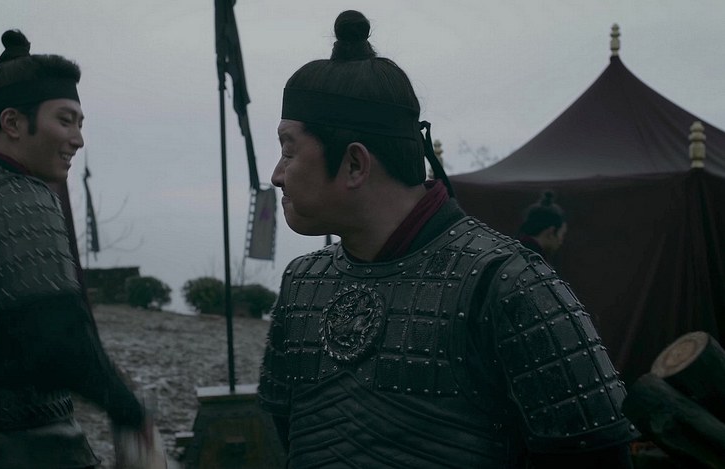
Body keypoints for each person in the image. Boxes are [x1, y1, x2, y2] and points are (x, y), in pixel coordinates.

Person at [258, 10, 637, 469]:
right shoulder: (303, 283)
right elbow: (292, 438)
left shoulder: (508, 283)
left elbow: (595, 455)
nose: (277, 175)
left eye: (289, 151)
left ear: (355, 164)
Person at [0, 30, 162, 468]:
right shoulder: (17, 194)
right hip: (20, 450)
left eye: (80, 124)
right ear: (12, 123)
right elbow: (58, 337)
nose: (78, 139)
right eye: (65, 120)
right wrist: (129, 410)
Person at [517, 191, 567, 260]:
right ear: (551, 232)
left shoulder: (512, 251)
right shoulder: (534, 261)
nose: (560, 242)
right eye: (562, 235)